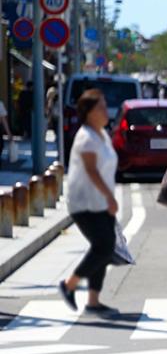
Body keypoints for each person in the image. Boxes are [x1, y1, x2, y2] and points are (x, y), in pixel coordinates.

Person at [57, 89, 119, 314]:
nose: (105, 110)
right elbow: (92, 171)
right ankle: (69, 285)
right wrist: (110, 197)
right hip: (84, 203)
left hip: (99, 202)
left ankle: (93, 300)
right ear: (89, 112)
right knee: (103, 247)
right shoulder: (86, 137)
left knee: (104, 247)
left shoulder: (101, 134)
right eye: (101, 107)